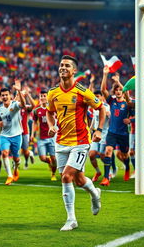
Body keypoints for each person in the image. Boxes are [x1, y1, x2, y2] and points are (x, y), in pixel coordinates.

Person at [46, 55, 105, 231]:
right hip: (61, 141)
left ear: (74, 71)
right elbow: (49, 112)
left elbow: (100, 107)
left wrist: (99, 130)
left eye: (67, 66)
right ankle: (95, 194)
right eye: (61, 65)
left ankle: (71, 219)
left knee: (65, 176)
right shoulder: (52, 93)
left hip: (80, 141)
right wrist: (51, 125)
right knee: (78, 180)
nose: (62, 68)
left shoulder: (82, 92)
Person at [100, 68, 131, 186]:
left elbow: (127, 93)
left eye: (120, 90)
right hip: (112, 132)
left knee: (123, 154)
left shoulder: (128, 103)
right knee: (108, 151)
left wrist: (118, 81)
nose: (118, 91)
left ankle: (127, 167)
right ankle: (106, 178)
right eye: (116, 90)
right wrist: (105, 74)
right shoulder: (112, 102)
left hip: (123, 134)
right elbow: (103, 90)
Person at [0, 80, 26, 185]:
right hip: (4, 135)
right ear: (0, 97)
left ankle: (16, 167)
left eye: (6, 95)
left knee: (16, 158)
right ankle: (9, 176)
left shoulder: (15, 104)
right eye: (2, 95)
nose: (4, 97)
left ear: (10, 95)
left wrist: (19, 91)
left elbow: (24, 105)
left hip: (16, 135)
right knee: (4, 153)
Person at [31, 90, 57, 181]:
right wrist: (32, 134)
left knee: (54, 158)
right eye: (41, 96)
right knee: (42, 158)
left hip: (52, 137)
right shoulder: (36, 110)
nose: (42, 98)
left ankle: (53, 174)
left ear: (48, 97)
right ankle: (50, 163)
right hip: (41, 138)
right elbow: (34, 122)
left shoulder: (53, 108)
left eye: (44, 96)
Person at [88, 90, 111, 183]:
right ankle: (98, 172)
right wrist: (90, 127)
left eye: (98, 96)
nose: (96, 98)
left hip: (104, 133)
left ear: (102, 97)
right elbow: (94, 117)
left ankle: (109, 171)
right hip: (95, 133)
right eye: (95, 96)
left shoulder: (106, 106)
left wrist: (109, 115)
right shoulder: (94, 107)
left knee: (102, 155)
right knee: (91, 154)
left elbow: (109, 117)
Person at [18, 87, 36, 169]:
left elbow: (33, 105)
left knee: (25, 151)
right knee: (13, 149)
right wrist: (18, 92)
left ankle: (27, 159)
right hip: (15, 132)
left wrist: (28, 94)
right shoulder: (13, 106)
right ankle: (16, 164)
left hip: (25, 132)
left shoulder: (26, 107)